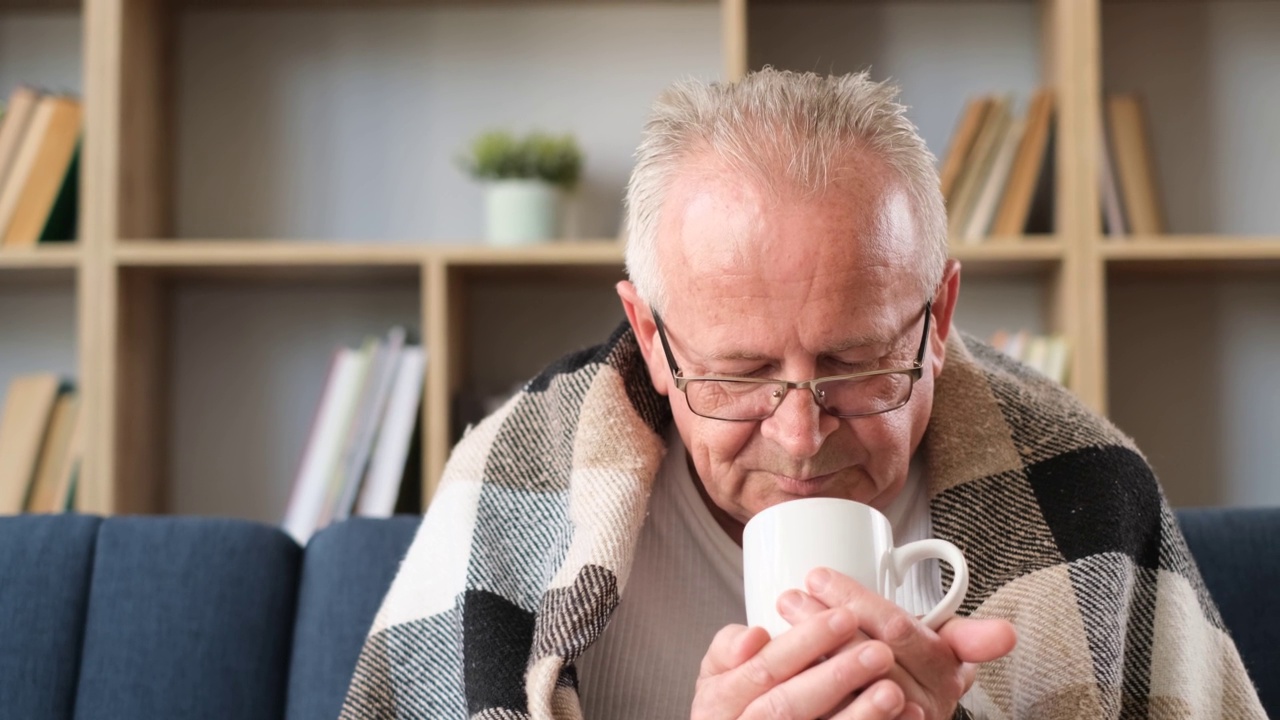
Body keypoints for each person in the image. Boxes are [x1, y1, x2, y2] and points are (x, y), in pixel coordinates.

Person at [340, 69, 1266, 719]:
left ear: (939, 316)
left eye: (858, 366)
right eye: (738, 376)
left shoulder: (1087, 486)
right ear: (652, 338)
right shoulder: (508, 490)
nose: (799, 437)